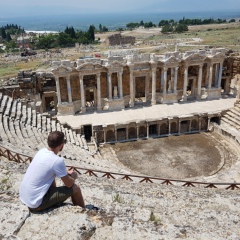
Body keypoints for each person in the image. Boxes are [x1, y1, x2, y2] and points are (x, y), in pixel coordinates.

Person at [19, 131, 85, 212]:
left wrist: (65, 172)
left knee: (51, 177)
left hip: (25, 198)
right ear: (61, 145)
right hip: (36, 204)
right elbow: (69, 185)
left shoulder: (41, 151)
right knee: (75, 188)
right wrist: (74, 177)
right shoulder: (57, 161)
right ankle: (83, 212)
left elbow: (48, 168)